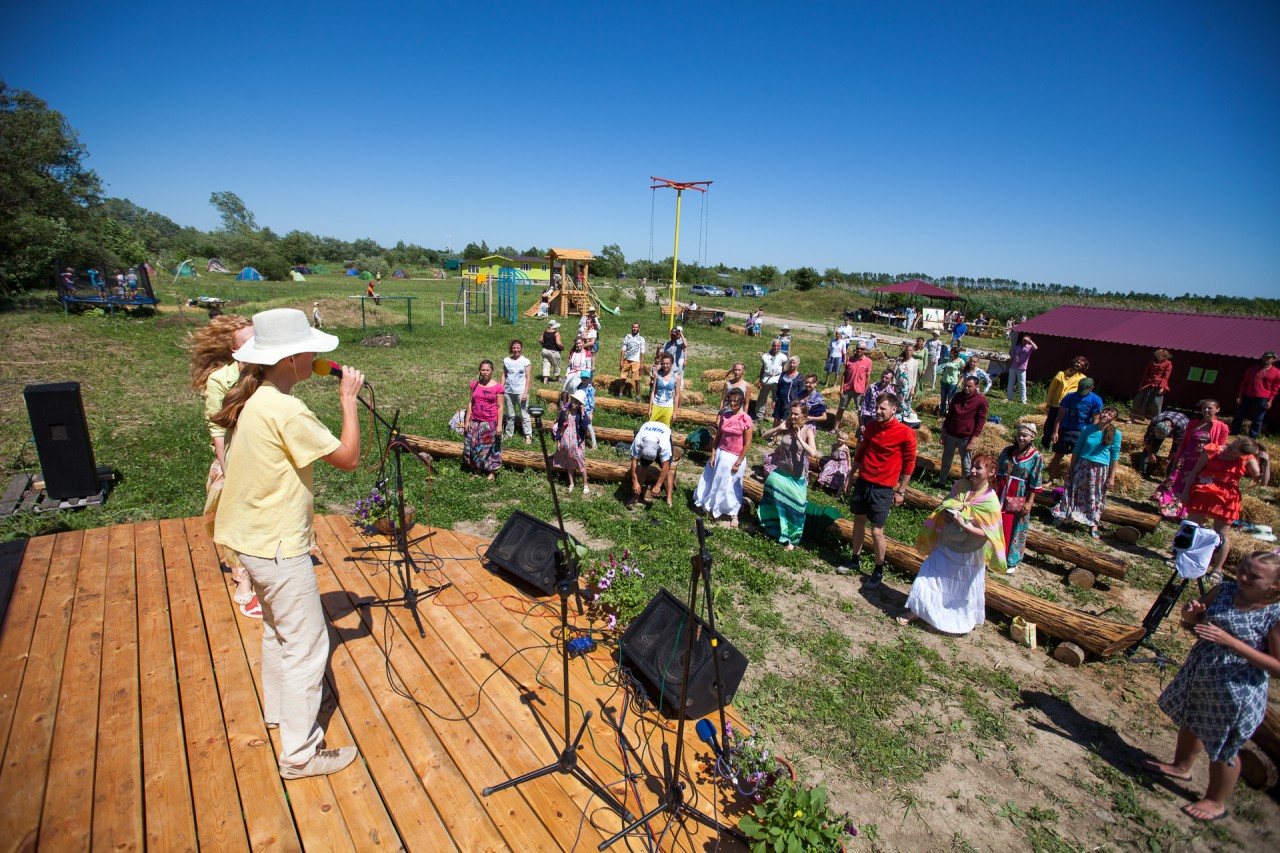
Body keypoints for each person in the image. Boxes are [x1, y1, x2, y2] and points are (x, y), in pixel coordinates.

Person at [211, 308, 363, 779]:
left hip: (248, 540)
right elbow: (348, 459)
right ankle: (299, 754)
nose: (318, 355)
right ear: (295, 358)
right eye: (312, 349)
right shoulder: (287, 408)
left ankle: (280, 715)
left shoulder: (256, 396)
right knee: (309, 647)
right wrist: (348, 400)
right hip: (278, 545)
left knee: (278, 633)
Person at [1143, 551, 1280, 823]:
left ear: (1275, 586)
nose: (1242, 577)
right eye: (1242, 569)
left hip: (1237, 690)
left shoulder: (1273, 615)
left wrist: (1233, 644)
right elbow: (1191, 619)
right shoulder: (1225, 590)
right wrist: (1192, 613)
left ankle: (1216, 801)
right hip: (1203, 673)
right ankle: (1181, 766)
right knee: (1191, 720)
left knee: (1225, 745)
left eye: (1253, 576)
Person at [190, 314, 257, 616]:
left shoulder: (267, 372)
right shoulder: (221, 380)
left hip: (263, 456)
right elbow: (218, 431)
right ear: (233, 349)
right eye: (247, 343)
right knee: (235, 518)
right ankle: (241, 576)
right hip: (233, 456)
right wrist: (229, 472)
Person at [899, 453, 1006, 633]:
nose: (972, 470)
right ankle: (916, 610)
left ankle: (955, 618)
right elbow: (945, 504)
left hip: (969, 551)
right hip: (947, 542)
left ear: (991, 472)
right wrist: (947, 513)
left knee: (961, 586)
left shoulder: (990, 500)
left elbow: (988, 533)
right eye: (972, 466)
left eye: (978, 468)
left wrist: (964, 525)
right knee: (929, 575)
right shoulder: (960, 486)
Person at [841, 392, 917, 584]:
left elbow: (909, 463)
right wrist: (851, 475)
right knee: (858, 520)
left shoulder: (905, 432)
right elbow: (862, 451)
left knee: (877, 531)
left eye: (882, 408)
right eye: (877, 407)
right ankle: (855, 559)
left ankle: (878, 569)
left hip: (883, 488)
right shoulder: (872, 427)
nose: (878, 411)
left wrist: (901, 490)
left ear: (894, 409)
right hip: (864, 481)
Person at [1179, 437, 1271, 578]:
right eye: (1232, 447)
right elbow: (1195, 472)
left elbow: (1263, 482)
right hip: (1204, 490)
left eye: (1235, 453)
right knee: (1191, 527)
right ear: (1234, 441)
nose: (1231, 452)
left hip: (1227, 498)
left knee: (1222, 535)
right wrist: (1185, 493)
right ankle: (1181, 558)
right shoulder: (1212, 450)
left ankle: (1217, 568)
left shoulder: (1248, 458)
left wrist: (1266, 462)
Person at [1051, 406, 1123, 538]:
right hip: (1082, 465)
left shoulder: (1116, 434)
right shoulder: (1087, 429)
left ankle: (1093, 522)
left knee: (1095, 495)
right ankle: (1065, 515)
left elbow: (1114, 457)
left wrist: (1111, 477)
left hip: (1099, 469)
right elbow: (1077, 449)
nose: (1105, 414)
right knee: (1074, 490)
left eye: (1110, 414)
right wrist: (1071, 468)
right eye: (1105, 412)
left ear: (1113, 419)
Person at [758, 400, 820, 551]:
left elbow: (813, 452)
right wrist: (779, 428)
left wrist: (799, 438)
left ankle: (791, 539)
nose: (793, 416)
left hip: (796, 478)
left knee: (795, 509)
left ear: (804, 415)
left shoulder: (808, 430)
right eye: (791, 413)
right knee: (771, 500)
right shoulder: (786, 427)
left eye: (796, 414)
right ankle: (772, 529)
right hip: (780, 473)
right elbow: (764, 436)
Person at [1157, 399, 1230, 516]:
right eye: (1204, 408)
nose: (1206, 410)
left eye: (1210, 408)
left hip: (1203, 461)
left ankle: (1185, 513)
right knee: (1175, 482)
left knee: (1192, 485)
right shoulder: (1193, 423)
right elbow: (1184, 443)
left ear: (1217, 409)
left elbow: (1221, 447)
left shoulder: (1222, 427)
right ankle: (1168, 508)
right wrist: (1176, 458)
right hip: (1186, 459)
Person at [694, 387, 753, 526]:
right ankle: (714, 506)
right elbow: (718, 437)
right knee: (715, 480)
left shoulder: (746, 419)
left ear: (742, 402)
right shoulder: (725, 416)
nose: (732, 404)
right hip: (721, 452)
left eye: (735, 401)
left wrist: (738, 462)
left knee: (732, 484)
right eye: (730, 401)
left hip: (735, 456)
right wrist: (713, 454)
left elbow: (748, 443)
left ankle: (733, 512)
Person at [995, 423, 1044, 573]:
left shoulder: (1036, 457)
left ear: (1032, 437)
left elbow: (1035, 482)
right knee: (996, 522)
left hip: (1019, 493)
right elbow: (997, 469)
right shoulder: (1008, 451)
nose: (1021, 438)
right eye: (1019, 435)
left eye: (1025, 435)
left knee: (1015, 525)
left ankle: (1011, 560)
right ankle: (993, 556)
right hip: (1002, 489)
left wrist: (1029, 502)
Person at [938, 376, 989, 490]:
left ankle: (966, 487)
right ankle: (941, 482)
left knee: (966, 465)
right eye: (965, 385)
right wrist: (943, 433)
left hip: (966, 437)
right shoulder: (957, 396)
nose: (966, 388)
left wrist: (972, 441)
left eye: (969, 386)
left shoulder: (981, 401)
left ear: (976, 386)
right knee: (946, 459)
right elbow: (949, 415)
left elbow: (980, 422)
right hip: (951, 433)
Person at [1047, 376, 1103, 481]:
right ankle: (1050, 479)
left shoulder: (1096, 400)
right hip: (1066, 429)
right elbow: (1060, 416)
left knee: (1078, 458)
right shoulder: (1070, 396)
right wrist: (1055, 431)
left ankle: (1073, 481)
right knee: (1058, 455)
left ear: (1092, 388)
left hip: (1082, 432)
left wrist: (1090, 436)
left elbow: (1095, 420)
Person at [463, 359, 503, 480]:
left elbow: (500, 407)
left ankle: (492, 471)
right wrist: (467, 420)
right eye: (483, 370)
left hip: (489, 422)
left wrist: (499, 425)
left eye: (487, 370)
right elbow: (470, 402)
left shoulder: (498, 387)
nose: (485, 372)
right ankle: (478, 469)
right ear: (480, 370)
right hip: (475, 421)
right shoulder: (474, 385)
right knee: (474, 446)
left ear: (492, 371)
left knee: (490, 447)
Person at [1042, 357, 1089, 452]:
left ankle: (1057, 446)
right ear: (1073, 362)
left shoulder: (1083, 378)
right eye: (1077, 362)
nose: (1078, 364)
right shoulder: (1061, 374)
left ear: (1083, 367)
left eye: (1081, 364)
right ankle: (1045, 445)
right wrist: (1049, 402)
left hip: (1069, 407)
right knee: (1049, 425)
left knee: (1062, 426)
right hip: (1056, 404)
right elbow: (1052, 389)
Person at [1232, 351, 1279, 439]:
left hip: (1263, 398)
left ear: (1273, 359)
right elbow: (1244, 383)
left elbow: (1275, 388)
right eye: (1264, 357)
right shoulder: (1252, 369)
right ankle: (1234, 433)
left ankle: (1252, 437)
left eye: (1268, 358)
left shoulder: (1277, 373)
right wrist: (1240, 396)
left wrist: (1270, 401)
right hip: (1248, 395)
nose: (1266, 359)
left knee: (1258, 419)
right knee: (1239, 415)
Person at [628, 419, 676, 505]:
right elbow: (634, 462)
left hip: (663, 429)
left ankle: (669, 498)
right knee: (643, 467)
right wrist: (635, 482)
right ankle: (636, 497)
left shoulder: (664, 444)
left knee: (668, 471)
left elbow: (666, 466)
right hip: (648, 427)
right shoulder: (638, 441)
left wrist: (658, 485)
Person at [552, 390, 590, 494]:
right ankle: (571, 483)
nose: (575, 404)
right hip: (566, 440)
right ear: (571, 399)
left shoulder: (580, 413)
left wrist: (582, 413)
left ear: (581, 404)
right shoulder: (565, 410)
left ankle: (585, 484)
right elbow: (560, 426)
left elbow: (584, 427)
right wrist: (558, 440)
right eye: (574, 400)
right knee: (569, 462)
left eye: (578, 402)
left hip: (577, 441)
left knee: (580, 461)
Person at [833, 343, 872, 431]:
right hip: (847, 388)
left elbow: (868, 377)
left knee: (860, 411)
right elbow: (844, 374)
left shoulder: (868, 361)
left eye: (862, 349)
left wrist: (865, 391)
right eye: (858, 348)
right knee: (841, 408)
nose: (859, 350)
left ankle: (860, 430)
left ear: (865, 350)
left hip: (859, 390)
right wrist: (842, 388)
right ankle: (835, 427)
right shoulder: (850, 359)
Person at [1140, 409, 1189, 477]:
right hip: (1168, 421)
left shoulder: (1181, 427)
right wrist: (1150, 454)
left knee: (1177, 455)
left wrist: (1168, 459)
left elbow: (1177, 447)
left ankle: (1170, 476)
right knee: (1153, 444)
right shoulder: (1155, 421)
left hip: (1181, 423)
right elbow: (1147, 439)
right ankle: (1142, 471)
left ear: (1171, 430)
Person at [502, 339, 533, 444]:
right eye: (514, 348)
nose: (516, 350)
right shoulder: (506, 360)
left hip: (521, 391)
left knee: (524, 414)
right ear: (511, 348)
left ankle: (528, 435)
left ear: (521, 348)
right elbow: (504, 375)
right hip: (508, 391)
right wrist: (501, 389)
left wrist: (525, 392)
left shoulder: (526, 361)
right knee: (510, 414)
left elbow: (528, 378)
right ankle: (509, 433)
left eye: (518, 348)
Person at [1130, 349, 1174, 424]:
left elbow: (1166, 376)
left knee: (1155, 403)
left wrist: (1162, 387)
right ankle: (1133, 417)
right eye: (1157, 355)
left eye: (1160, 355)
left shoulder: (1168, 364)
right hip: (1148, 384)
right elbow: (1146, 373)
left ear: (1164, 356)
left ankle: (1154, 421)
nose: (1158, 357)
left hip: (1158, 385)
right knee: (1139, 399)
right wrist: (1142, 384)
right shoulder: (1152, 362)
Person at [859, 368, 897, 437]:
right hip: (868, 420)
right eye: (883, 377)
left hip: (880, 423)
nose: (884, 379)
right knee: (861, 442)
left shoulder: (891, 393)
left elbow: (891, 412)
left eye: (887, 378)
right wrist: (861, 424)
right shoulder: (872, 387)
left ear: (891, 380)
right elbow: (864, 405)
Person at [756, 339, 786, 423]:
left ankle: (776, 415)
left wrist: (782, 380)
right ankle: (759, 415)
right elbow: (763, 368)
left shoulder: (783, 357)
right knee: (762, 398)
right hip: (766, 379)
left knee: (776, 398)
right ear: (772, 346)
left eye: (777, 346)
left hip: (777, 379)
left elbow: (784, 369)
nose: (775, 347)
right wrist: (760, 380)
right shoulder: (765, 356)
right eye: (774, 345)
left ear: (780, 347)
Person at [649, 351, 681, 426]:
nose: (665, 365)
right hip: (656, 405)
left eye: (667, 364)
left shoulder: (677, 378)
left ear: (672, 363)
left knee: (665, 429)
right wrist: (650, 408)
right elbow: (653, 392)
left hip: (668, 407)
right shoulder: (657, 375)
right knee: (651, 426)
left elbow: (677, 396)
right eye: (663, 363)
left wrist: (675, 412)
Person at [771, 356, 803, 431]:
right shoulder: (784, 374)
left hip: (790, 402)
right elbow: (777, 387)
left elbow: (800, 392)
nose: (791, 364)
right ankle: (774, 437)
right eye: (790, 362)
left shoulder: (800, 377)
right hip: (780, 400)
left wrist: (797, 403)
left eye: (794, 363)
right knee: (776, 419)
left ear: (797, 364)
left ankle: (786, 438)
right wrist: (775, 399)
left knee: (788, 421)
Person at [818, 429, 853, 496]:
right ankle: (822, 485)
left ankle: (838, 492)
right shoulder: (834, 445)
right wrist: (829, 461)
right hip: (834, 461)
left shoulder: (845, 448)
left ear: (845, 440)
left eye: (843, 439)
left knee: (841, 472)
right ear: (837, 437)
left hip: (842, 462)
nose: (840, 440)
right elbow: (832, 454)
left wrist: (849, 466)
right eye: (839, 437)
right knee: (827, 469)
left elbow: (848, 457)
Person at [1006, 334, 1037, 404]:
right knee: (1010, 382)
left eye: (1025, 340)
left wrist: (1030, 341)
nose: (1024, 341)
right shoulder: (1018, 347)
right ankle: (1009, 397)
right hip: (1013, 366)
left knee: (1022, 383)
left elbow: (1035, 347)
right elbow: (1012, 355)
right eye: (1023, 340)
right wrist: (1008, 366)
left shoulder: (1029, 347)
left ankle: (1023, 400)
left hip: (1022, 368)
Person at [619, 323, 647, 400]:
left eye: (636, 327)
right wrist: (621, 360)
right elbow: (623, 349)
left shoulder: (641, 339)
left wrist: (642, 363)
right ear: (631, 328)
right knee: (623, 377)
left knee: (636, 379)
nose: (635, 328)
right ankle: (620, 393)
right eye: (633, 327)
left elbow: (642, 351)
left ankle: (637, 395)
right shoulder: (628, 337)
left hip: (636, 361)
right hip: (627, 360)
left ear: (639, 329)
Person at [937, 346, 966, 417]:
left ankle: (950, 415)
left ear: (953, 352)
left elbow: (964, 373)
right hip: (945, 381)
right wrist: (942, 377)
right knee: (943, 399)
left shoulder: (961, 361)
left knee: (951, 400)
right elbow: (946, 370)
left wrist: (960, 382)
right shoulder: (949, 359)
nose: (950, 353)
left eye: (951, 352)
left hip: (953, 382)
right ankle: (941, 415)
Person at [894, 344, 921, 419]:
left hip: (907, 386)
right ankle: (897, 416)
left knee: (906, 402)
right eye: (907, 350)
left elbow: (914, 376)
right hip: (898, 385)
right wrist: (893, 384)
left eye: (910, 350)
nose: (908, 352)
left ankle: (905, 416)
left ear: (913, 351)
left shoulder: (915, 362)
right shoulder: (900, 360)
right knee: (897, 401)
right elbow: (894, 372)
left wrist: (913, 389)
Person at [540, 320, 564, 384]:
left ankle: (545, 380)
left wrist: (543, 345)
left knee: (546, 364)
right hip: (554, 351)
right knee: (556, 365)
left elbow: (540, 340)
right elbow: (558, 343)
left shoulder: (544, 332)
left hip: (545, 350)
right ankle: (558, 379)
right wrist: (562, 347)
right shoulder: (556, 333)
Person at [579, 370, 598, 450]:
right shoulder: (579, 387)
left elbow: (592, 402)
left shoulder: (590, 389)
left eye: (586, 379)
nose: (584, 380)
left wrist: (591, 413)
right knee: (580, 425)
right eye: (583, 378)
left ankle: (594, 445)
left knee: (589, 426)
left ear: (589, 379)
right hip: (580, 409)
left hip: (587, 410)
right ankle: (581, 441)